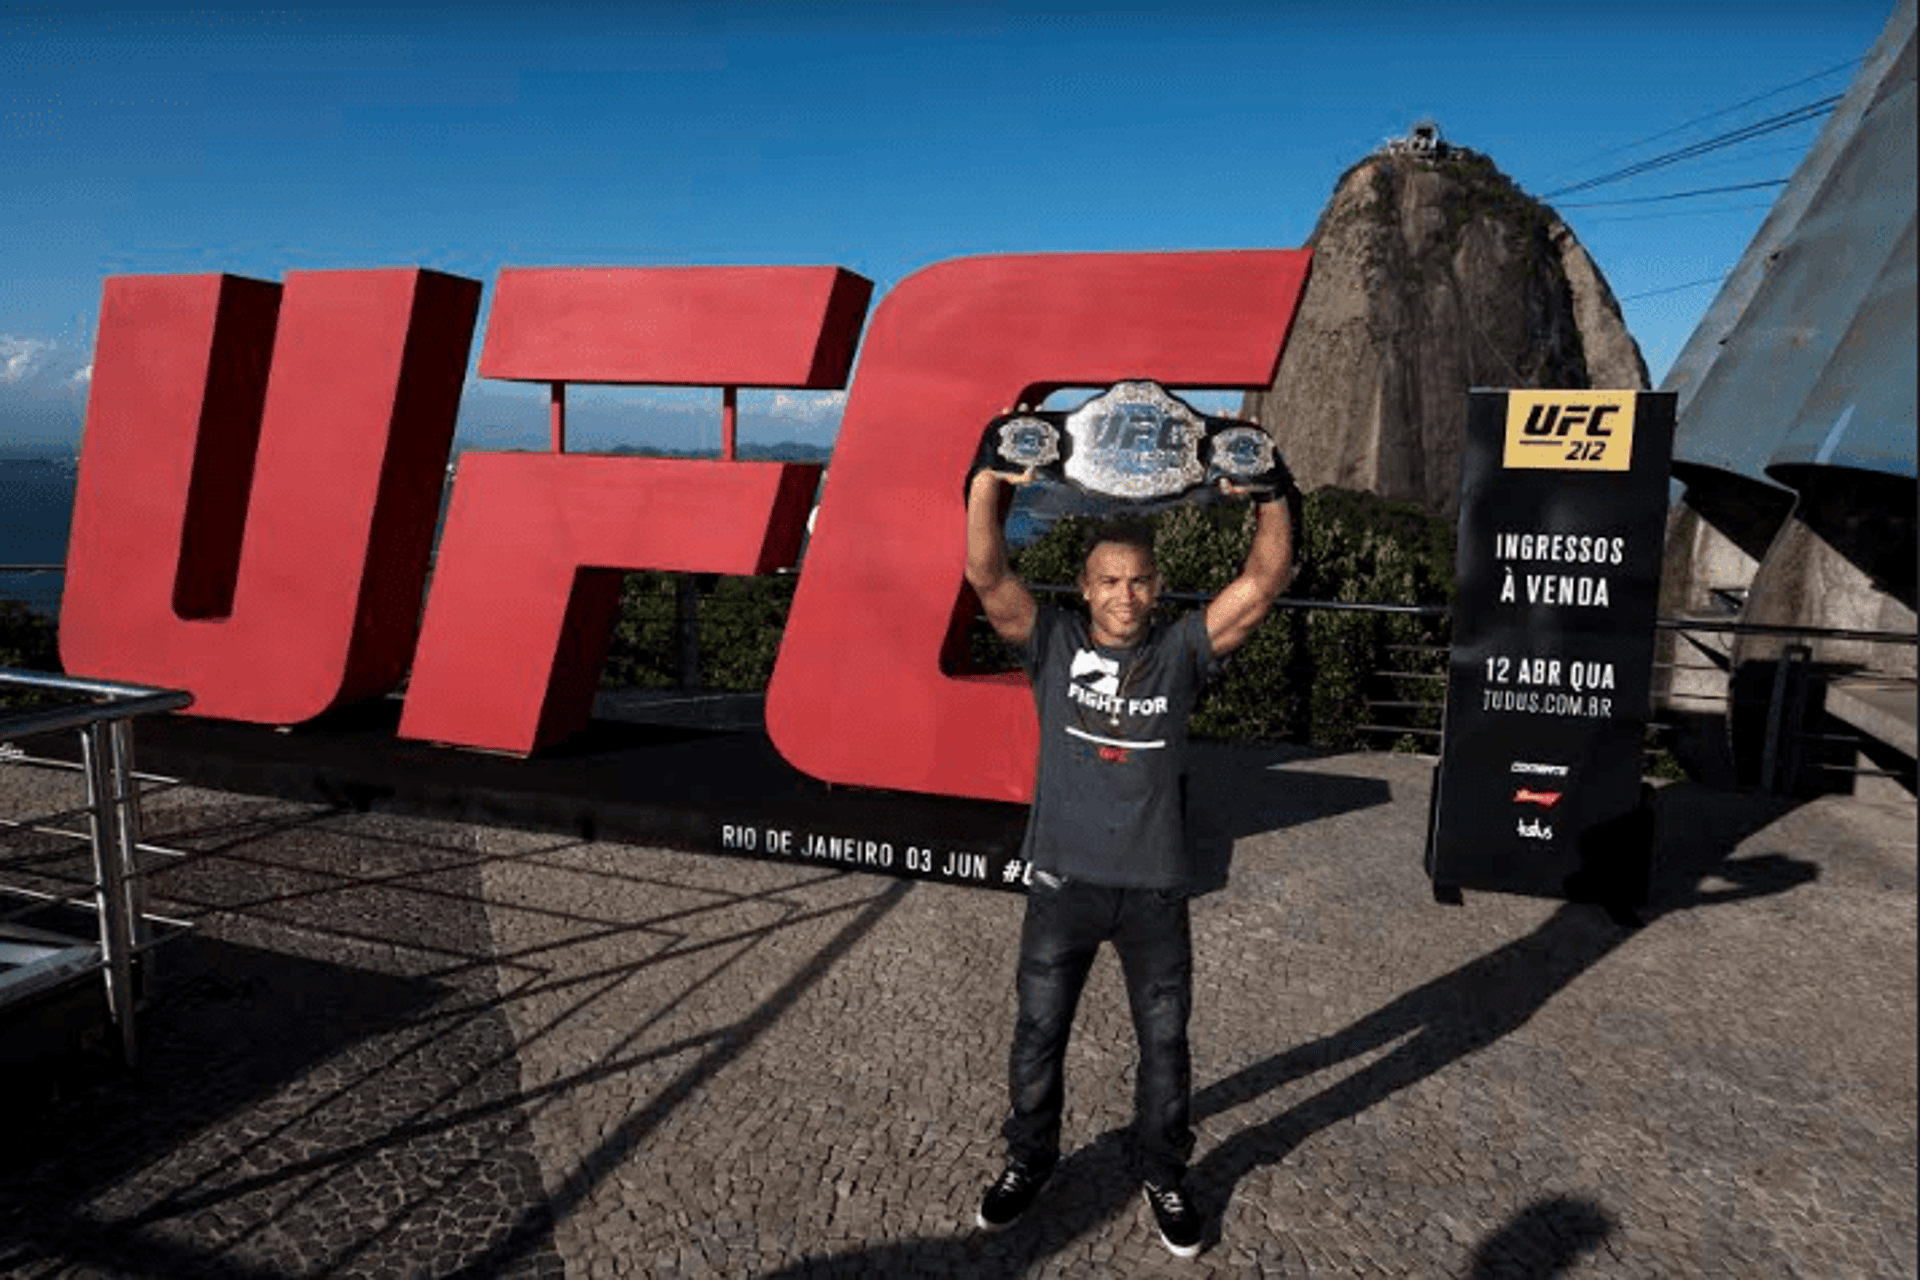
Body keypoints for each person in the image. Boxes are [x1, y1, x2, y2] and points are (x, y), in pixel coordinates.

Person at [963, 460, 1296, 1258]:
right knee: (1039, 1034)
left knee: (1165, 1046)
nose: (1124, 595)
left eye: (1139, 581)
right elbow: (985, 571)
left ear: (1157, 587)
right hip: (1063, 881)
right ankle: (1029, 1161)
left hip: (1153, 892)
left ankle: (1164, 1172)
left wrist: (1275, 492)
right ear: (1084, 588)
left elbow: (1265, 577)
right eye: (1109, 581)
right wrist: (985, 476)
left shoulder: (1181, 652)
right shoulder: (1049, 644)